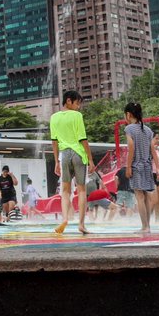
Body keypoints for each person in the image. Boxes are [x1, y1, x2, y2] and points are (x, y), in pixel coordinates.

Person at [50, 89, 94, 235]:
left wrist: (56, 161)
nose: (78, 107)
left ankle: (64, 219)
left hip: (63, 155)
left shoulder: (54, 117)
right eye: (77, 103)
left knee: (65, 190)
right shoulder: (77, 116)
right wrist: (91, 160)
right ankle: (81, 224)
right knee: (81, 190)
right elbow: (83, 139)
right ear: (69, 101)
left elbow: (54, 142)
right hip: (78, 153)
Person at [124, 101, 159, 235]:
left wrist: (128, 166)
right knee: (146, 196)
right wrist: (158, 168)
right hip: (147, 166)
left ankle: (144, 226)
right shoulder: (148, 130)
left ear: (128, 115)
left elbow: (131, 148)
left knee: (139, 196)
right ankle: (148, 226)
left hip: (137, 166)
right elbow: (153, 150)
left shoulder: (129, 129)